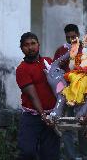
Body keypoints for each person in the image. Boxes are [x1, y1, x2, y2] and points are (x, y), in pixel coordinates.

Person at [16, 32, 60, 160]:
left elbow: (59, 85)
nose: (30, 47)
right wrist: (42, 115)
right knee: (27, 152)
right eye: (26, 45)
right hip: (32, 117)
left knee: (50, 155)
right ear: (22, 49)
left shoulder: (48, 62)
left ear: (38, 45)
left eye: (33, 43)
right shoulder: (22, 69)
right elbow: (32, 95)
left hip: (52, 116)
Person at [53, 24, 87, 160]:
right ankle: (70, 157)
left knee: (82, 124)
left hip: (83, 93)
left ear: (78, 35)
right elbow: (55, 69)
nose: (71, 40)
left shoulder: (86, 50)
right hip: (66, 93)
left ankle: (85, 156)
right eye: (68, 37)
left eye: (73, 37)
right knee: (67, 125)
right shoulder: (61, 50)